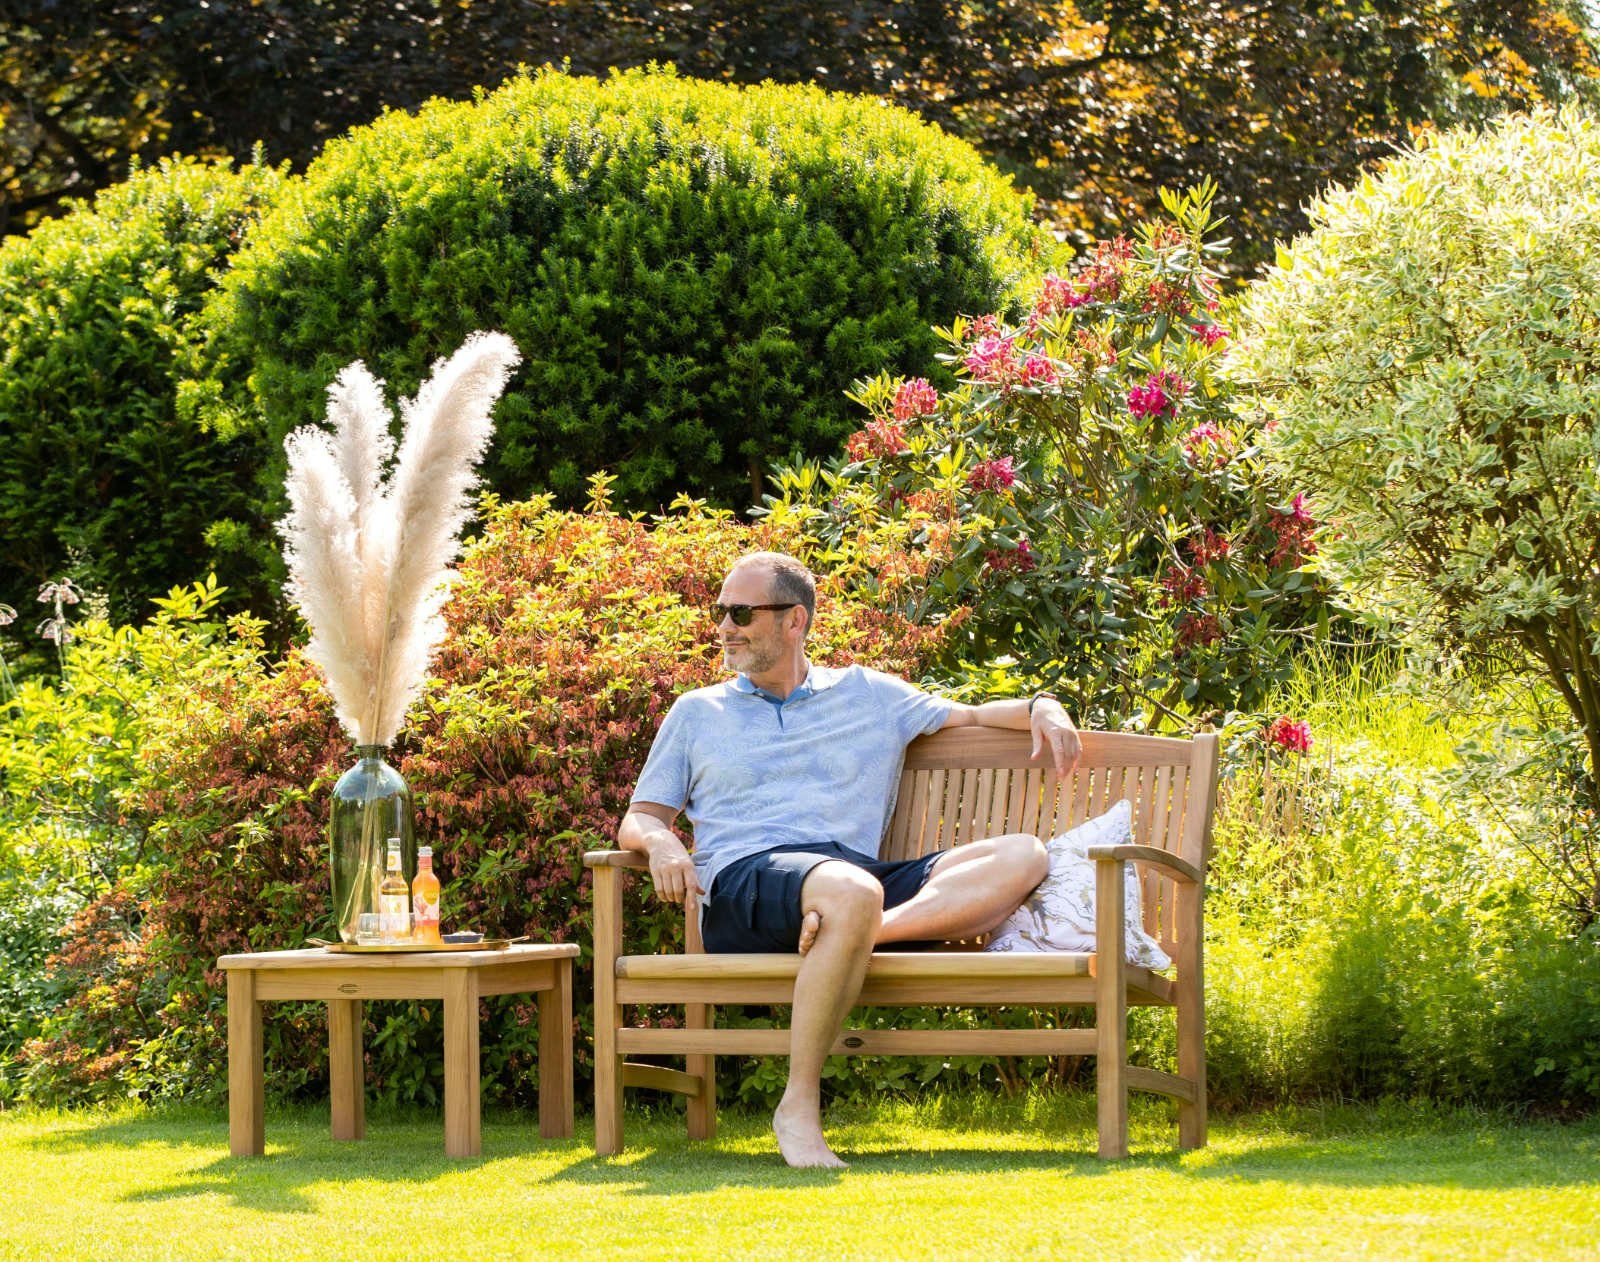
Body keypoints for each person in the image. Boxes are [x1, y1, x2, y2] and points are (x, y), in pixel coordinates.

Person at [618, 551, 1081, 1168]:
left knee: (1024, 854)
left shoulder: (869, 693)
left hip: (850, 880)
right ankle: (798, 1106)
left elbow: (970, 714)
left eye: (740, 612)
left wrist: (1041, 706)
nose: (723, 627)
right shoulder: (698, 711)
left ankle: (858, 931)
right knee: (850, 891)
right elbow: (641, 817)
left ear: (794, 621)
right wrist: (663, 841)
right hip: (746, 882)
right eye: (720, 612)